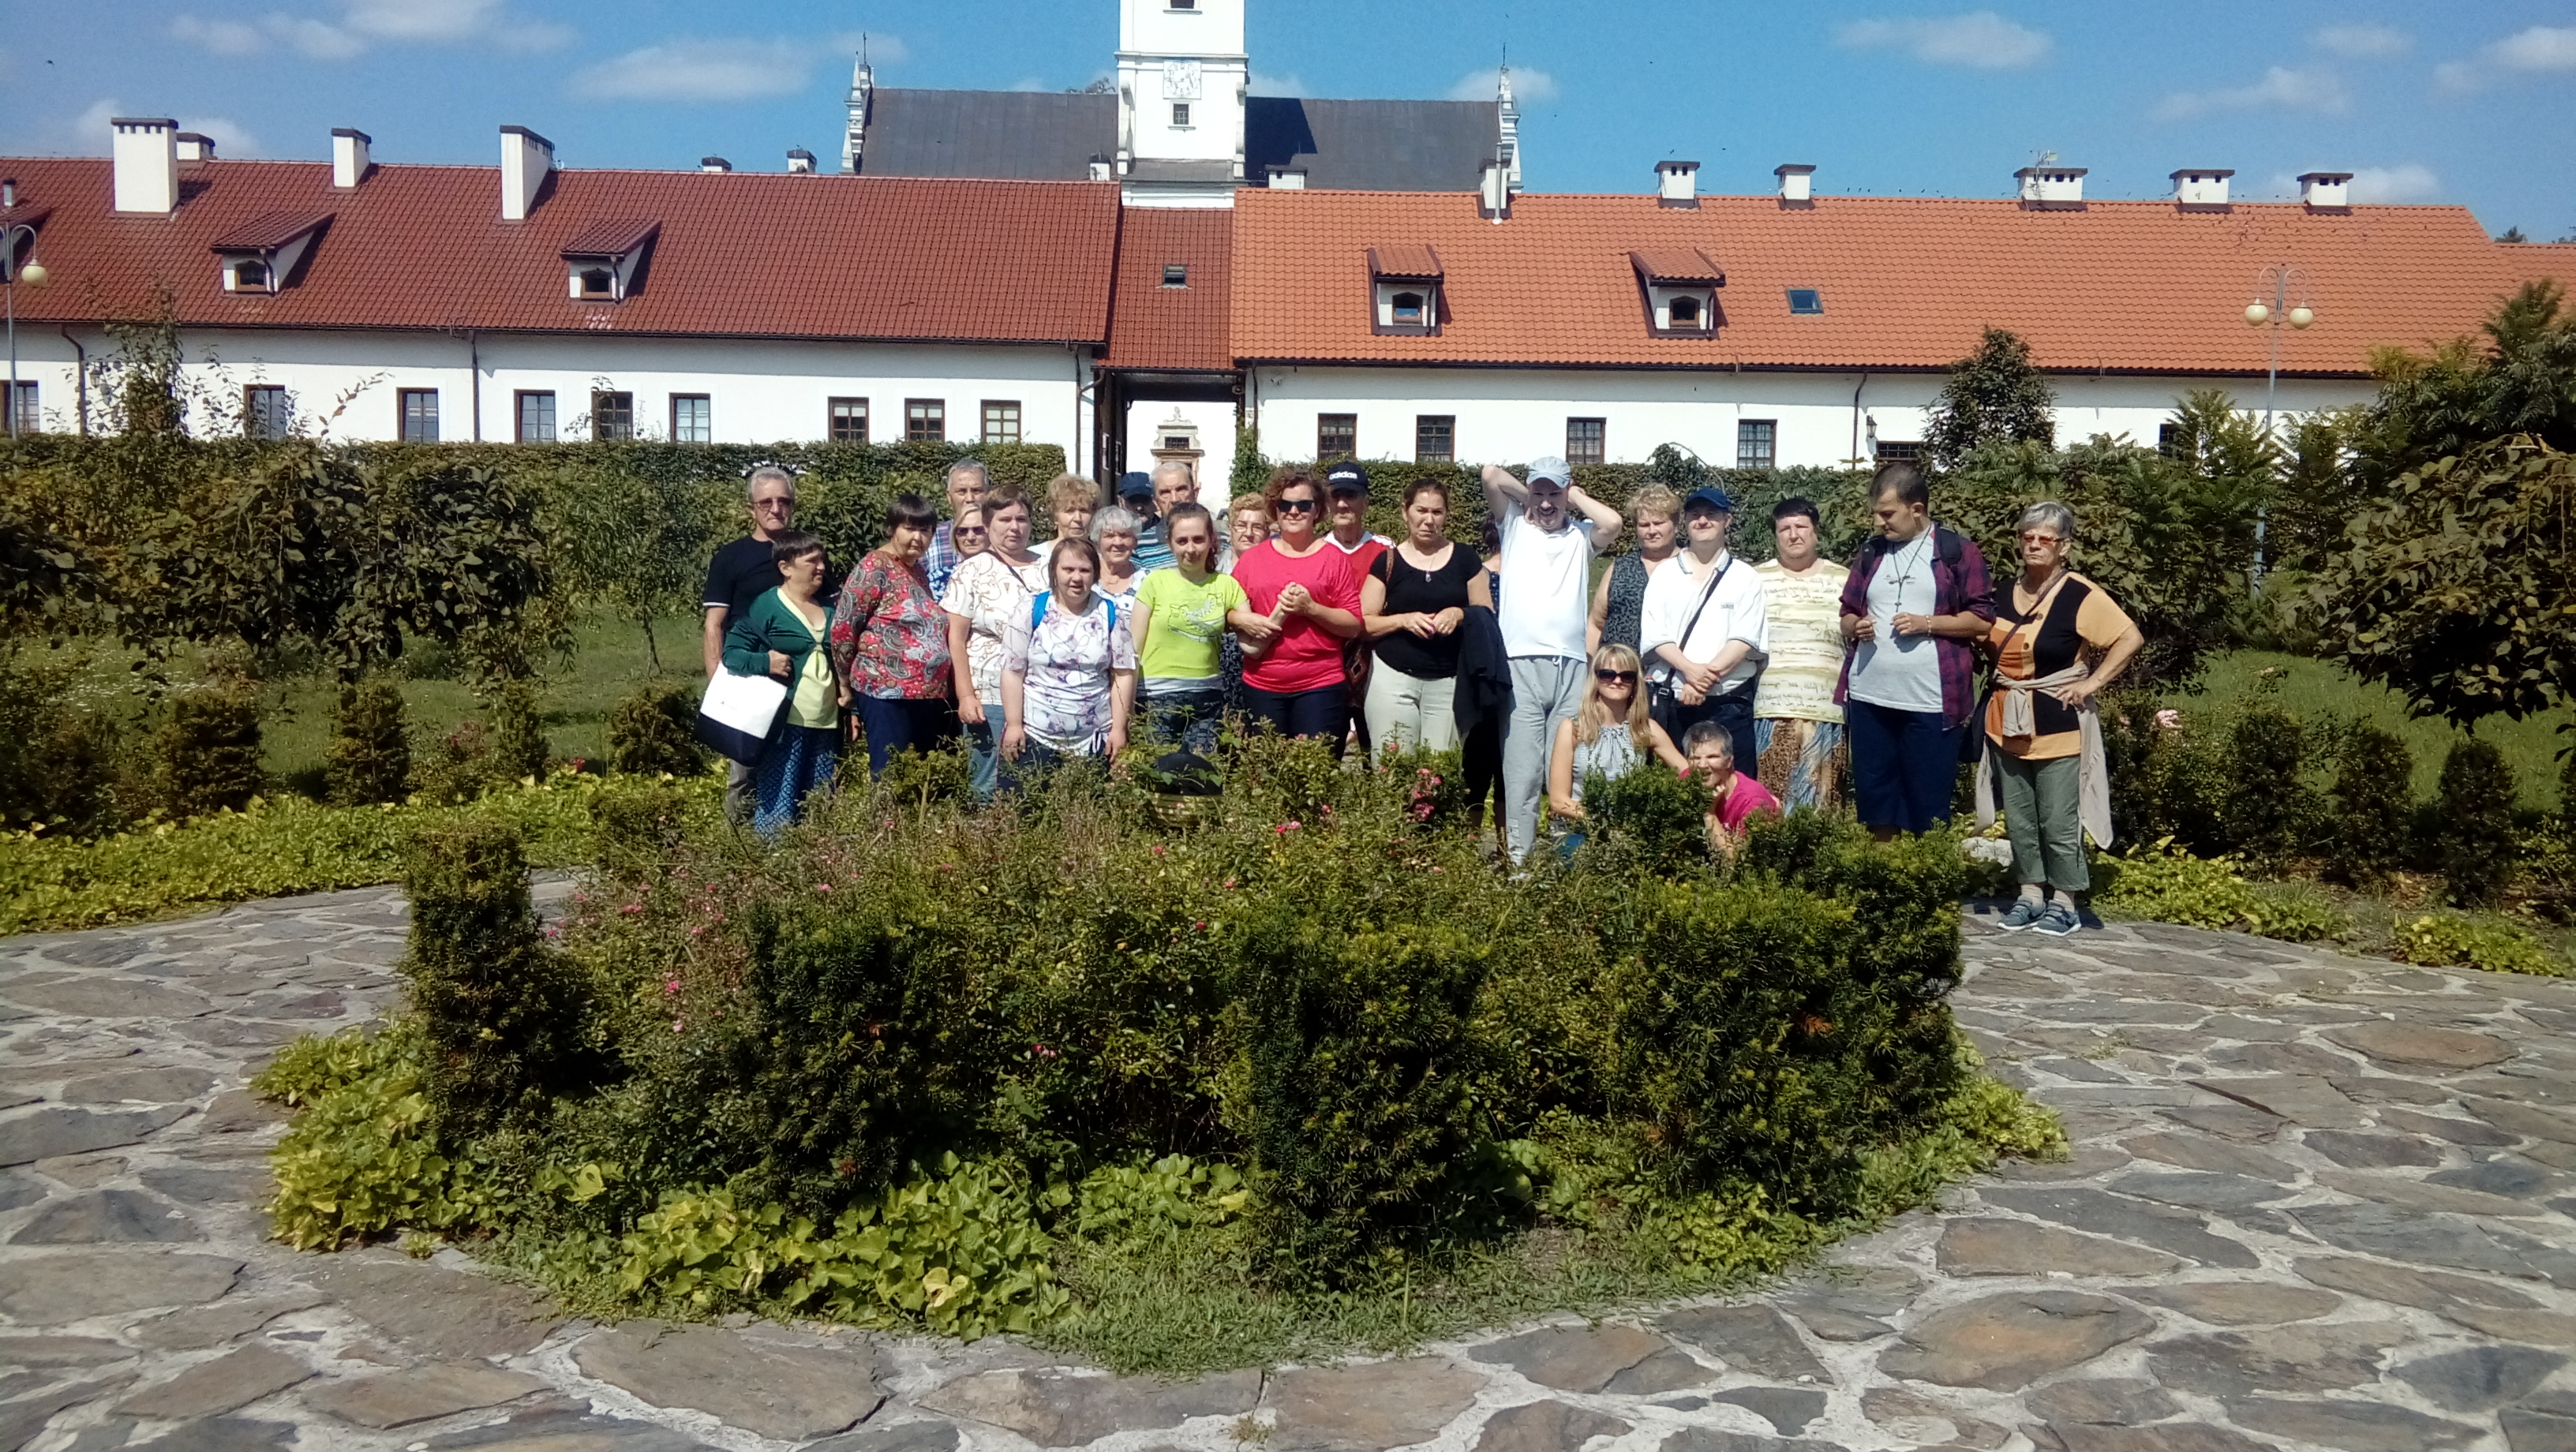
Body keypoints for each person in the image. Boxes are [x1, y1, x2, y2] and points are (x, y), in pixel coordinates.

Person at [1979, 501, 2144, 937]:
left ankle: (2065, 902)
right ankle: (2030, 894)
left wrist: (2090, 684)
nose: (2034, 545)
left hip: (2059, 721)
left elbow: (2129, 637)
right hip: (2006, 720)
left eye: (2045, 538)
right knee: (2019, 817)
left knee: (2057, 818)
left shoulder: (2078, 594)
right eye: (2027, 536)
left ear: (2064, 547)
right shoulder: (2000, 592)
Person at [1836, 462, 1996, 839]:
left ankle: (1927, 867)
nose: (1878, 522)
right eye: (1876, 513)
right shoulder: (1871, 552)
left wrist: (1928, 623)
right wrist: (1855, 626)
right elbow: (1846, 613)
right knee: (1876, 800)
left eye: (1887, 514)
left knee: (1928, 804)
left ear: (1917, 509)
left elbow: (1982, 620)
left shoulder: (1957, 552)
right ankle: (1883, 868)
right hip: (1870, 698)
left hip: (1930, 702)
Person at [1485, 456, 1623, 862]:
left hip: (1571, 669)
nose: (1546, 504)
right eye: (1539, 493)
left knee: (1568, 775)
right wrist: (1530, 497)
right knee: (1523, 776)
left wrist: (1573, 496)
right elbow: (1491, 474)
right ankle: (1520, 868)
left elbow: (1613, 523)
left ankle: (1565, 863)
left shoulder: (1581, 536)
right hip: (1520, 666)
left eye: (1554, 494)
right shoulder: (1514, 525)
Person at [703, 466, 814, 825]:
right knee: (745, 771)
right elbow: (714, 624)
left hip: (805, 683)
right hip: (751, 678)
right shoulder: (731, 558)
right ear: (751, 507)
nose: (776, 509)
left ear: (793, 505)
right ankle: (738, 846)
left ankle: (798, 840)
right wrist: (719, 684)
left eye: (784, 501)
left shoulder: (809, 554)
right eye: (766, 502)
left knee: (802, 767)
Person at [1231, 467, 1365, 752]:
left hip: (1320, 685)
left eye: (1303, 505)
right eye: (1285, 505)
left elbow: (1353, 624)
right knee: (1267, 770)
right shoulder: (1252, 560)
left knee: (1314, 771)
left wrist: (1311, 608)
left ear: (1317, 510)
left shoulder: (1334, 559)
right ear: (1275, 509)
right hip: (1262, 684)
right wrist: (1241, 618)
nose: (1293, 512)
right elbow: (1225, 611)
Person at [1641, 486, 1768, 784]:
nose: (1702, 520)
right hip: (1673, 703)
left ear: (1727, 521)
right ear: (1685, 522)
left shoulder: (1745, 576)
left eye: (1711, 514)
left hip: (1729, 704)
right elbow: (1656, 635)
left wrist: (1702, 681)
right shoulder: (1665, 573)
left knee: (1734, 790)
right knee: (1675, 790)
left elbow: (1744, 639)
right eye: (1695, 514)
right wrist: (1690, 671)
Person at [721, 530, 842, 837]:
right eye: (811, 561)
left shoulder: (829, 609)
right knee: (780, 799)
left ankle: (817, 858)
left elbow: (841, 665)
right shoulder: (768, 605)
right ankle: (772, 858)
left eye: (822, 560)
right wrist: (766, 663)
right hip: (784, 722)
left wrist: (851, 712)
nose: (821, 567)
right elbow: (732, 654)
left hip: (826, 722)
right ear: (786, 567)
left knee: (819, 800)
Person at [829, 493, 954, 778]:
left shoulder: (917, 570)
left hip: (926, 696)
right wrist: (844, 682)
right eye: (909, 529)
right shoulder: (874, 567)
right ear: (892, 529)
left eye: (925, 530)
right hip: (886, 693)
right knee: (889, 774)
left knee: (918, 778)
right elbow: (844, 628)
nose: (918, 538)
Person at [1360, 478, 1488, 753]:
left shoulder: (1465, 558)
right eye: (1421, 510)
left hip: (1449, 682)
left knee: (1441, 768)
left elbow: (1486, 613)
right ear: (1405, 512)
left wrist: (1459, 614)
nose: (1429, 520)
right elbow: (1364, 622)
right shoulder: (1387, 561)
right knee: (1392, 767)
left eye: (1437, 512)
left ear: (1446, 515)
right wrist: (1403, 620)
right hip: (1392, 680)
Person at [943, 484, 1051, 800]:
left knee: (1035, 781)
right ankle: (983, 830)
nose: (1014, 527)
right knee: (988, 780)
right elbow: (955, 638)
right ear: (989, 524)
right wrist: (966, 696)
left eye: (1021, 519)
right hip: (989, 693)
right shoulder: (970, 571)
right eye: (1005, 520)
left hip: (1042, 694)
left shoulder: (1049, 567)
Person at [1133, 502, 1268, 754]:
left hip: (1207, 700)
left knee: (1201, 774)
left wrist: (1281, 613)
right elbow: (1133, 650)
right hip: (1156, 699)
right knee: (1158, 773)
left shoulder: (1227, 585)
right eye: (1182, 541)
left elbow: (1253, 647)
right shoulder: (1154, 582)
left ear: (1211, 540)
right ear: (1170, 543)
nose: (1191, 549)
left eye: (1198, 539)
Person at [1001, 536, 1137, 782]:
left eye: (1085, 570)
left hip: (1095, 739)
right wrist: (1013, 724)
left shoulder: (1112, 613)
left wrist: (1119, 729)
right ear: (1054, 571)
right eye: (1068, 569)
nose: (1076, 578)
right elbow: (1012, 670)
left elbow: (1123, 674)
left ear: (1095, 575)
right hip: (1035, 736)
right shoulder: (1030, 609)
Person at [1751, 498, 1851, 811]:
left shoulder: (1844, 579)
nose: (1793, 535)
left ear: (1815, 532)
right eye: (1785, 529)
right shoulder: (1753, 579)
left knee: (1822, 807)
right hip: (1771, 710)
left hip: (1827, 712)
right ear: (1776, 535)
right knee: (1771, 807)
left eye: (1801, 527)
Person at [1546, 644, 1686, 855]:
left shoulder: (1645, 729)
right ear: (1596, 678)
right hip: (1579, 830)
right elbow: (1558, 801)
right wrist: (1606, 823)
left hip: (1629, 833)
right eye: (1608, 674)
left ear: (1635, 683)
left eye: (1626, 676)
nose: (1617, 681)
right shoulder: (1573, 728)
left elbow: (1688, 773)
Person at [1324, 461, 1395, 754]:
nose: (1342, 504)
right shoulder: (1317, 550)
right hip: (1329, 662)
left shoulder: (1386, 550)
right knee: (1327, 751)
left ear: (1365, 501)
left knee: (1375, 749)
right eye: (1336, 496)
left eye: (1350, 495)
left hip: (1376, 661)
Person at [1589, 485, 1682, 656]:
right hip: (1618, 668)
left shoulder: (1690, 567)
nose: (1652, 531)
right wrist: (1590, 664)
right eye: (1644, 525)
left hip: (1672, 668)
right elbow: (1596, 623)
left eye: (1659, 523)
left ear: (1675, 525)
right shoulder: (1620, 568)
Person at [1683, 720, 1781, 862]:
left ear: (1729, 761)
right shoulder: (1686, 782)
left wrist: (1709, 814)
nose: (1702, 765)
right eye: (1695, 758)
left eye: (1712, 757)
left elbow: (1737, 863)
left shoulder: (1752, 800)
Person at [1220, 494, 1275, 712]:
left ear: (1268, 532)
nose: (1248, 533)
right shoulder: (1213, 567)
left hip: (1262, 663)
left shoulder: (1274, 570)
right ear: (1230, 529)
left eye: (1257, 527)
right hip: (1217, 663)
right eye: (1241, 525)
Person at [922, 458, 990, 600]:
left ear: (988, 494)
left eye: (976, 491)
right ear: (949, 497)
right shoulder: (931, 538)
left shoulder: (1001, 536)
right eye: (962, 491)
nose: (970, 498)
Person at [1091, 504, 1148, 620]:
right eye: (1109, 536)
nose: (1117, 542)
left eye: (1124, 535)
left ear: (1135, 541)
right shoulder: (1085, 577)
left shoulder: (1148, 581)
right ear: (1097, 542)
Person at [1128, 468, 1187, 574]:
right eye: (1165, 492)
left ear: (1195, 492)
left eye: (1181, 490)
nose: (1174, 499)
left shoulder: (1216, 540)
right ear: (1155, 500)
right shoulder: (1140, 545)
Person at [1037, 473, 1099, 567]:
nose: (1078, 518)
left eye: (1084, 511)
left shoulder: (1104, 558)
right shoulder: (1036, 557)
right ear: (1055, 515)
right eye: (1070, 511)